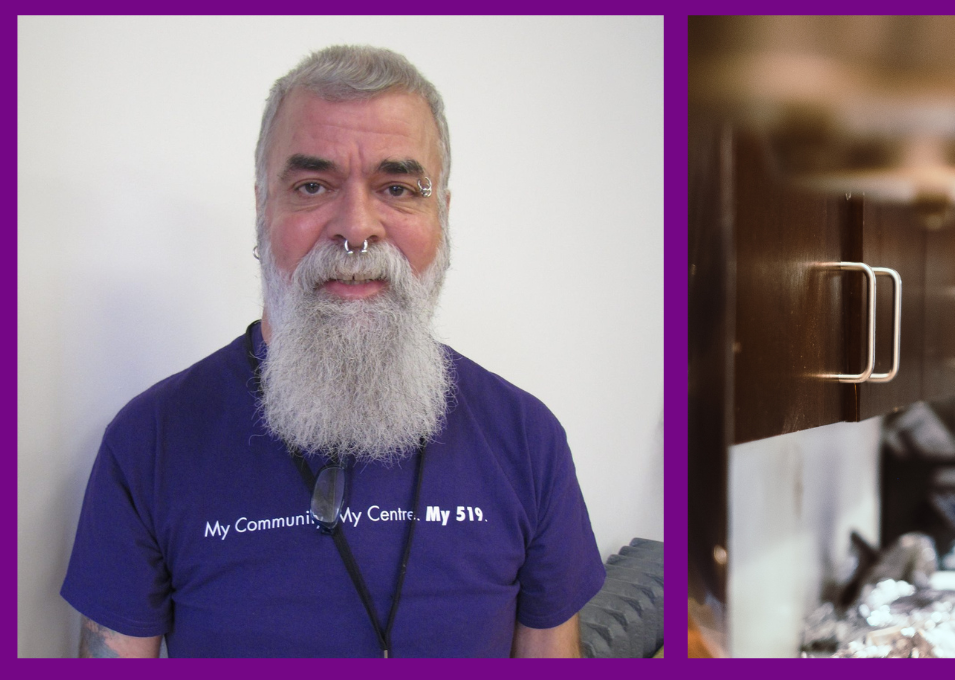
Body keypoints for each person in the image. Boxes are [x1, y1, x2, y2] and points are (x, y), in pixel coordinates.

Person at [60, 45, 606, 658]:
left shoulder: (527, 439)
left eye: (398, 187)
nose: (356, 227)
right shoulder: (149, 442)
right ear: (263, 209)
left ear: (442, 215)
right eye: (313, 186)